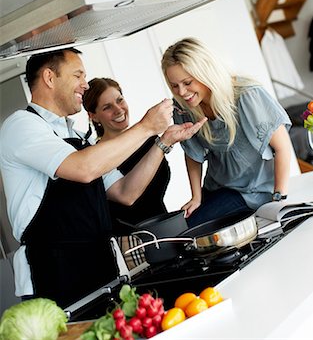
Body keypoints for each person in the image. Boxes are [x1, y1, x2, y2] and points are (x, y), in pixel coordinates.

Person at [0, 48, 206, 308]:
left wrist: (164, 141)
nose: (85, 85)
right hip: (54, 275)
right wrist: (146, 126)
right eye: (78, 76)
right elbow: (83, 169)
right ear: (50, 78)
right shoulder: (22, 125)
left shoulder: (77, 137)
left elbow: (126, 192)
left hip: (100, 268)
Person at [161, 37, 292, 228]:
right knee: (185, 231)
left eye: (187, 82)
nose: (181, 92)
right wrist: (196, 197)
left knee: (191, 230)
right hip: (216, 188)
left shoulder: (247, 95)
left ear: (205, 73)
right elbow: (192, 155)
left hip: (253, 192)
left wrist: (279, 199)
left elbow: (283, 148)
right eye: (174, 86)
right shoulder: (182, 108)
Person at [83, 78, 170, 234]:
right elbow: (127, 198)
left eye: (119, 100)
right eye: (107, 107)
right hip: (129, 242)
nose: (118, 110)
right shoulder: (95, 157)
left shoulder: (148, 141)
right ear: (93, 116)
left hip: (165, 226)